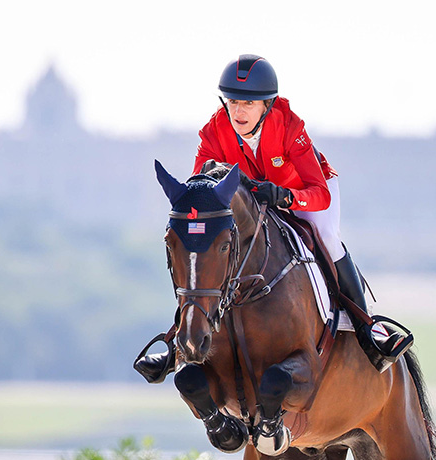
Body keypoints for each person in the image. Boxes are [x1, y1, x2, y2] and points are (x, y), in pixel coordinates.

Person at [134, 54, 412, 382]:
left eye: (248, 104)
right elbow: (201, 186)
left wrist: (285, 196)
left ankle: (368, 328)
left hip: (304, 194)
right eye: (233, 102)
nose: (238, 112)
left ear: (267, 105)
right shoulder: (214, 131)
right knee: (207, 254)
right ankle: (176, 340)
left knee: (326, 234)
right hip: (254, 202)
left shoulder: (289, 127)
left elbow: (319, 194)